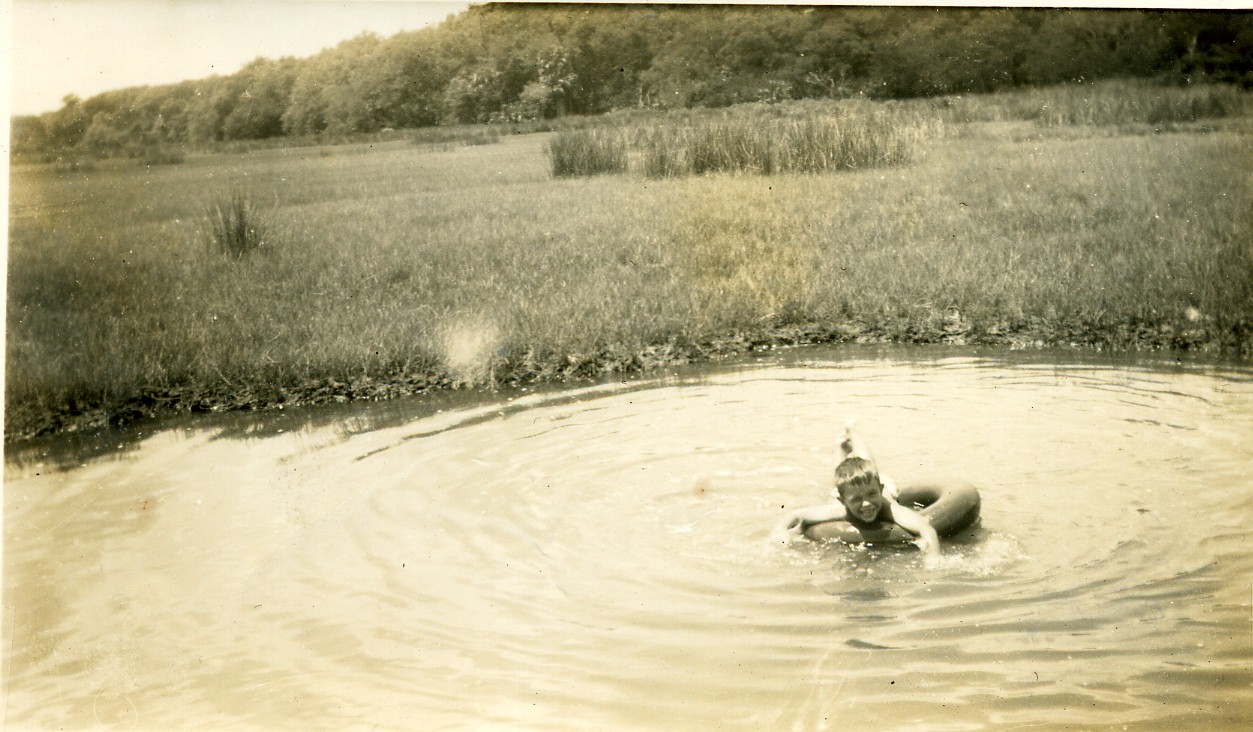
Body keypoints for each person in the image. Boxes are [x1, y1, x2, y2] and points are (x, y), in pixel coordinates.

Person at [775, 423, 939, 555]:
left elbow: (925, 527)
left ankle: (852, 431)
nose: (866, 503)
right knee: (839, 474)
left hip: (877, 483)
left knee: (868, 462)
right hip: (852, 489)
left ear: (880, 490)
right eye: (856, 500)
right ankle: (841, 447)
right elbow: (795, 514)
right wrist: (779, 534)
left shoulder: (890, 509)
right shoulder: (839, 509)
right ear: (843, 502)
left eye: (872, 494)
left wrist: (933, 558)